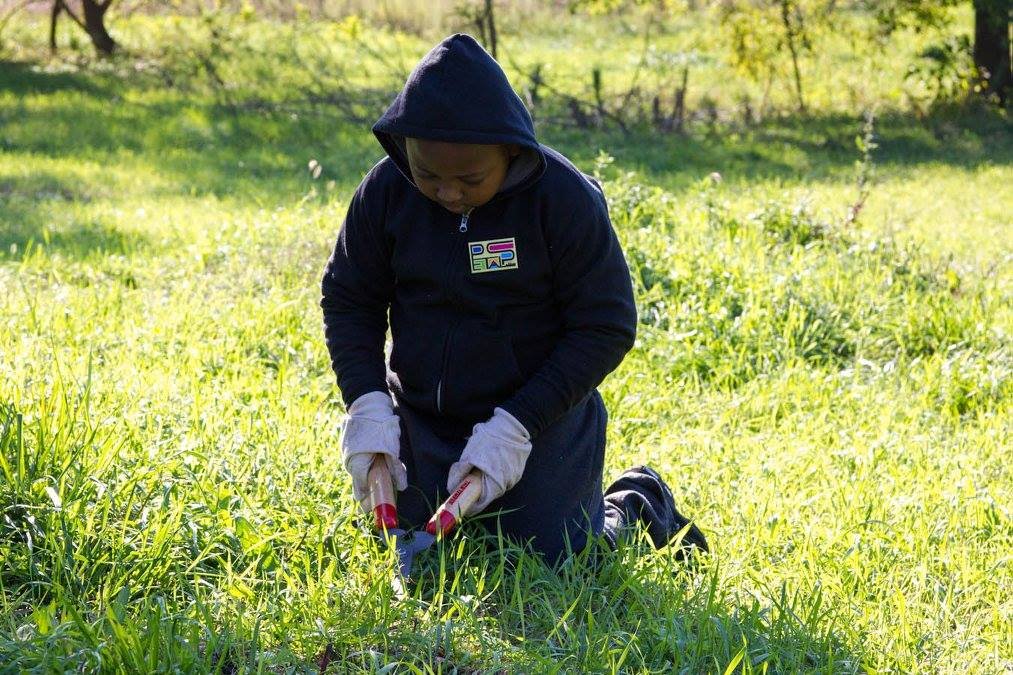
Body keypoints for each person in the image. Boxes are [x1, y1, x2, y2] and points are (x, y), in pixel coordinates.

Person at [321, 33, 707, 563]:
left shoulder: (563, 200)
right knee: (408, 539)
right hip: (424, 414)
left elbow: (606, 325)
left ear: (510, 152)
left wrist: (515, 426)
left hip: (538, 419)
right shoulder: (387, 190)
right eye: (427, 173)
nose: (448, 193)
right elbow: (349, 298)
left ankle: (639, 503)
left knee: (561, 557)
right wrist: (367, 404)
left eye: (470, 178)